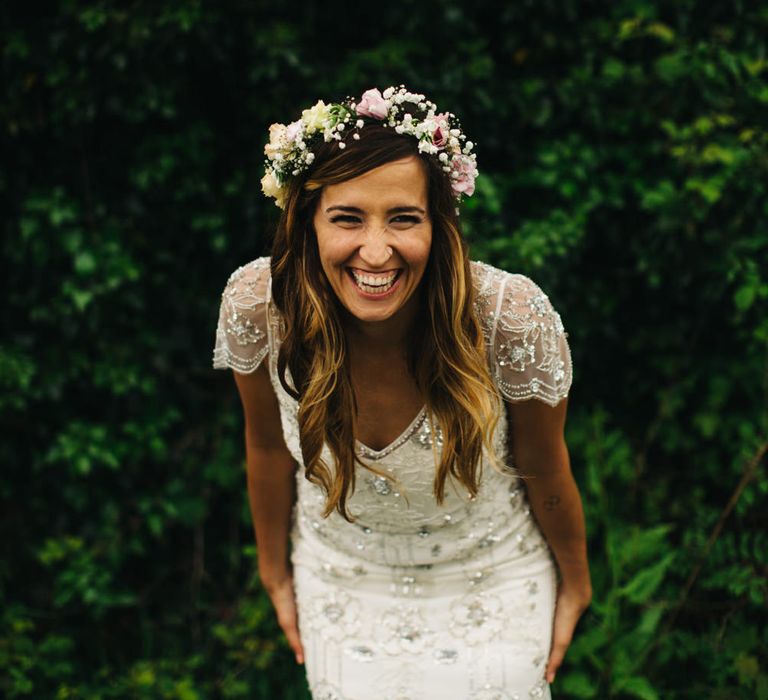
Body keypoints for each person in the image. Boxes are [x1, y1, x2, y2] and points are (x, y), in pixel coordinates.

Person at [213, 85, 591, 699]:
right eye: (347, 217)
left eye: (403, 218)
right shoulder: (261, 307)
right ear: (306, 222)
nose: (376, 250)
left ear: (438, 227)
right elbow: (265, 448)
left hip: (490, 576)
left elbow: (547, 467)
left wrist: (576, 580)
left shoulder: (507, 318)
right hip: (342, 576)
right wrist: (273, 572)